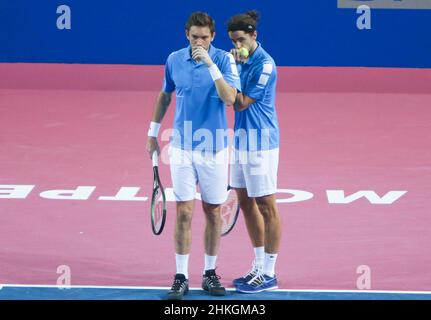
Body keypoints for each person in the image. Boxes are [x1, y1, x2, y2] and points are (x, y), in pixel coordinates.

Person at [146, 12, 240, 300]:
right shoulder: (174, 59)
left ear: (212, 37)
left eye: (204, 37)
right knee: (183, 212)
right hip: (182, 148)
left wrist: (210, 64)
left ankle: (210, 273)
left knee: (212, 212)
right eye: (194, 36)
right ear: (186, 34)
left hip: (214, 149)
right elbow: (165, 95)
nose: (199, 41)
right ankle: (181, 277)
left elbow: (230, 98)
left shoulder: (225, 60)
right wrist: (152, 132)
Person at [227, 10, 282, 293]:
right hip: (240, 140)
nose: (237, 46)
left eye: (241, 40)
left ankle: (270, 273)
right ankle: (258, 265)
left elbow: (239, 103)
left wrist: (233, 70)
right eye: (234, 41)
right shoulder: (235, 58)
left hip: (261, 143)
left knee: (266, 205)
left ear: (254, 36)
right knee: (245, 202)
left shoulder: (265, 65)